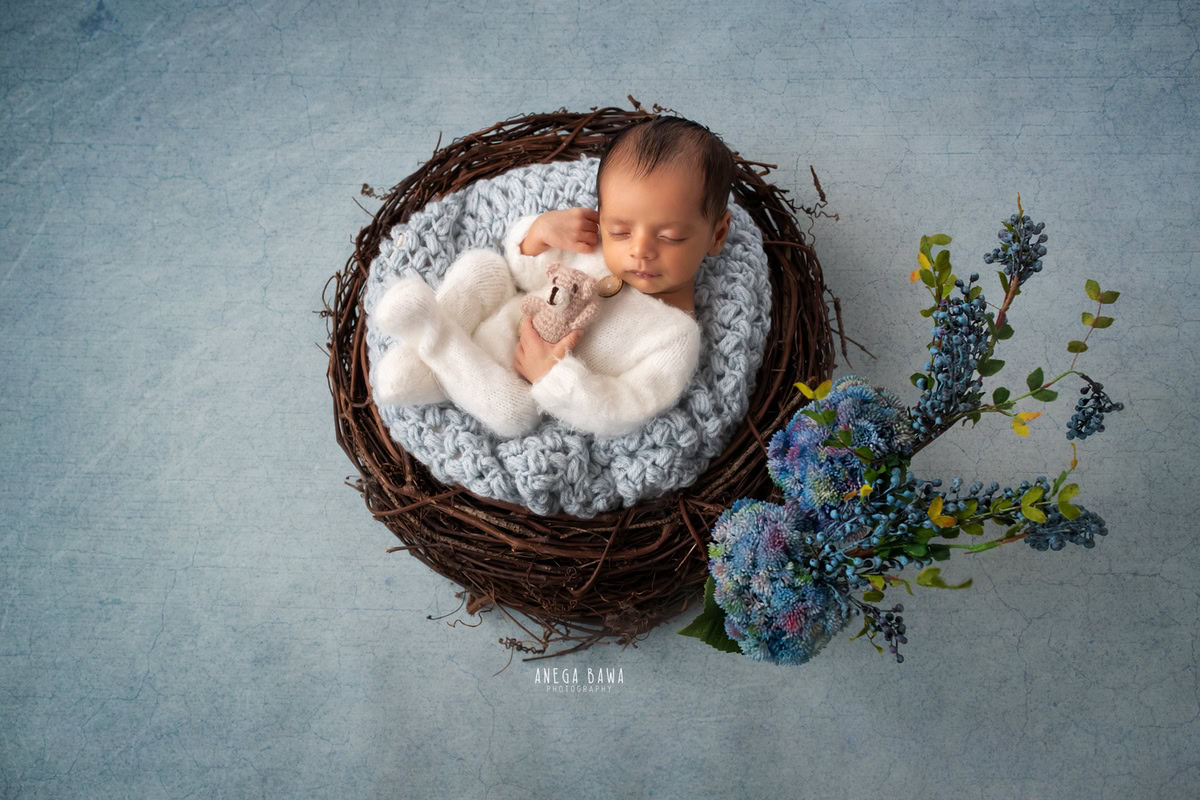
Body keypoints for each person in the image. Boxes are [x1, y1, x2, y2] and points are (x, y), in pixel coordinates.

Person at [370, 116, 736, 439]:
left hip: (514, 382)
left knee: (515, 415)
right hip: (497, 323)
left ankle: (433, 342)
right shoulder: (595, 245)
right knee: (485, 266)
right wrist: (539, 235)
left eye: (670, 237)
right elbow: (524, 273)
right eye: (620, 230)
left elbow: (626, 407)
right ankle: (428, 352)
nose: (639, 250)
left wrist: (551, 377)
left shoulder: (675, 338)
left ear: (716, 235)